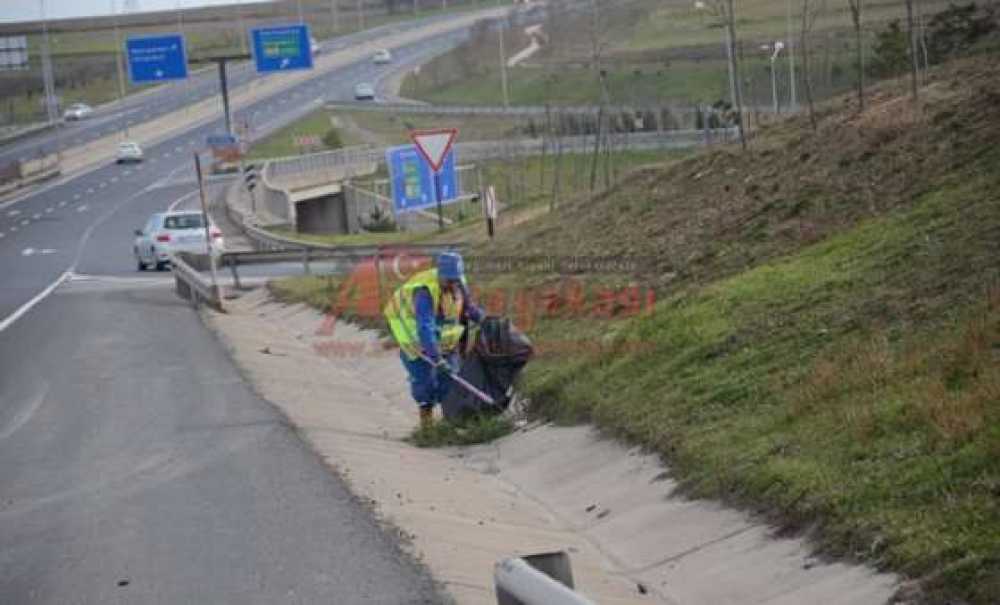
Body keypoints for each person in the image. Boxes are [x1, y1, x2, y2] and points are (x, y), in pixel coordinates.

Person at [383, 251, 482, 428]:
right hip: (414, 334)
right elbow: (425, 328)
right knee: (424, 380)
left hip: (442, 335)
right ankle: (426, 422)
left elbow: (469, 308)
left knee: (450, 378)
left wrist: (485, 320)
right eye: (449, 280)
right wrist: (436, 358)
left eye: (456, 280)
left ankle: (449, 423)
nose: (453, 284)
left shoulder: (458, 284)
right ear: (440, 275)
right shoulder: (424, 292)